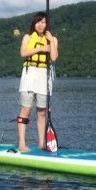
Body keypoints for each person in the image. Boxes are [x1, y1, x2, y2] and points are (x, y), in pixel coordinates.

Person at [16, 12, 58, 151]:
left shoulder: (52, 39)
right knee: (25, 110)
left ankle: (41, 143)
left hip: (43, 78)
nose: (41, 25)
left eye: (44, 22)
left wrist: (50, 41)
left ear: (47, 25)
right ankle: (22, 143)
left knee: (42, 112)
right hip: (29, 76)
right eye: (38, 22)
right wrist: (40, 48)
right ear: (34, 23)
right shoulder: (27, 37)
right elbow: (23, 53)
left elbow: (53, 57)